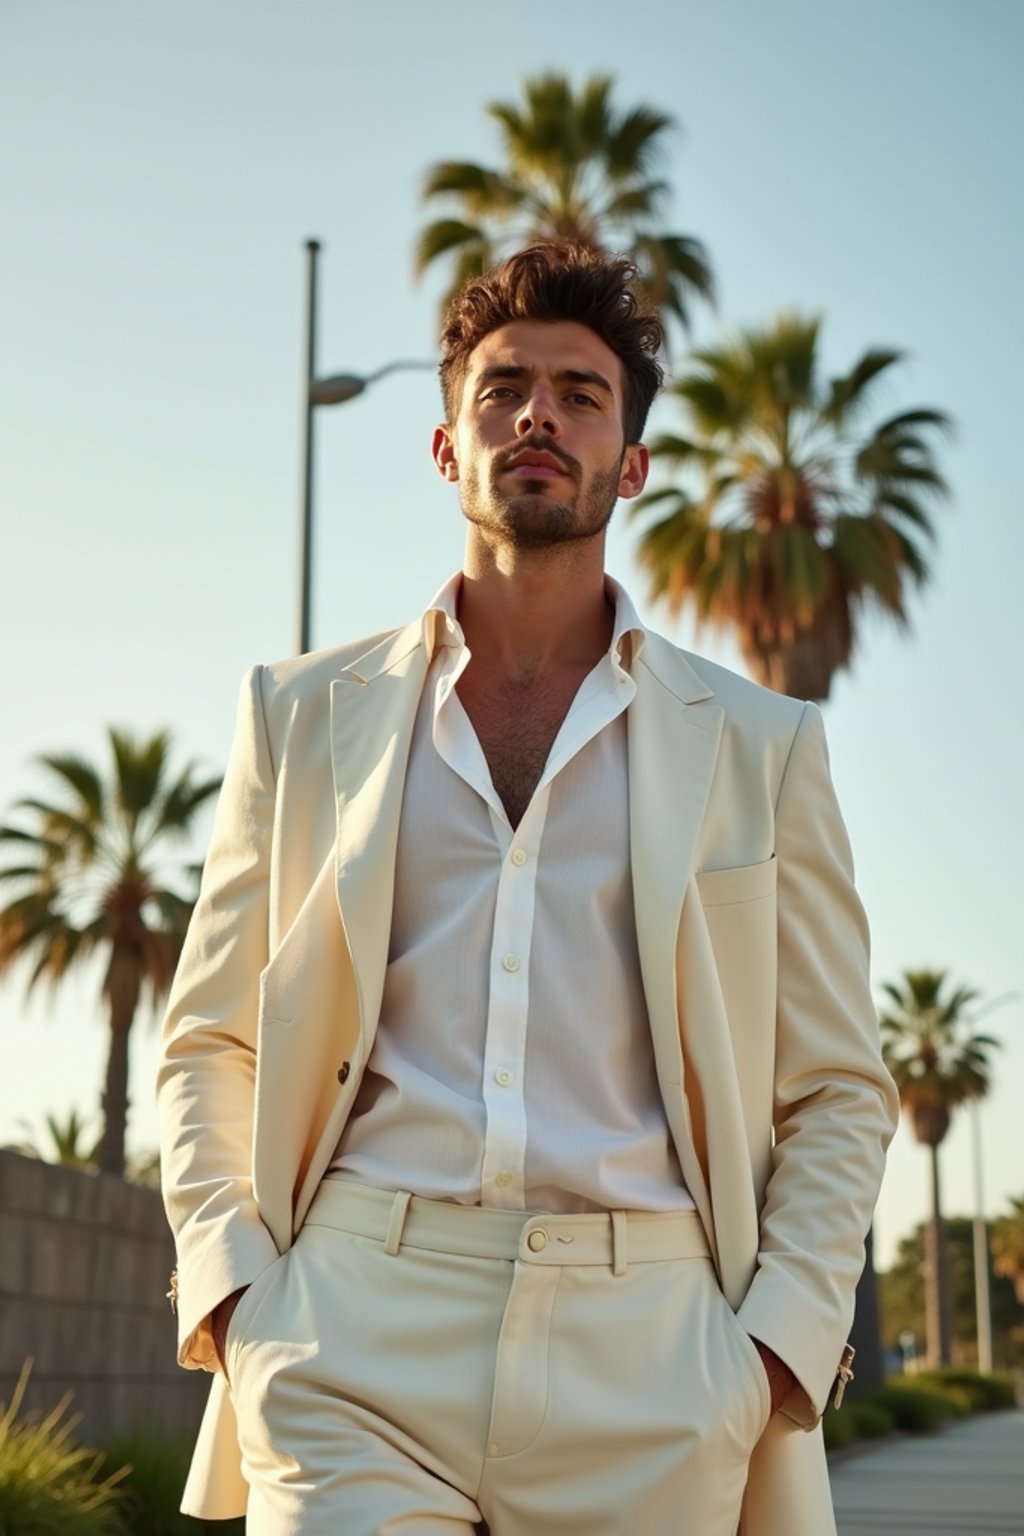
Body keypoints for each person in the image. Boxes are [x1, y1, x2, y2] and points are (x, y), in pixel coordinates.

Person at [157, 241, 898, 1536]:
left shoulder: (761, 747)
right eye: (502, 389)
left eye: (580, 392)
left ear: (633, 465)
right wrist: (234, 1295)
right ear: (449, 448)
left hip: (655, 1358)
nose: (538, 413)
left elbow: (836, 1086)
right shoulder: (295, 717)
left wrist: (772, 1354)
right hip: (351, 1329)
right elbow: (211, 1036)